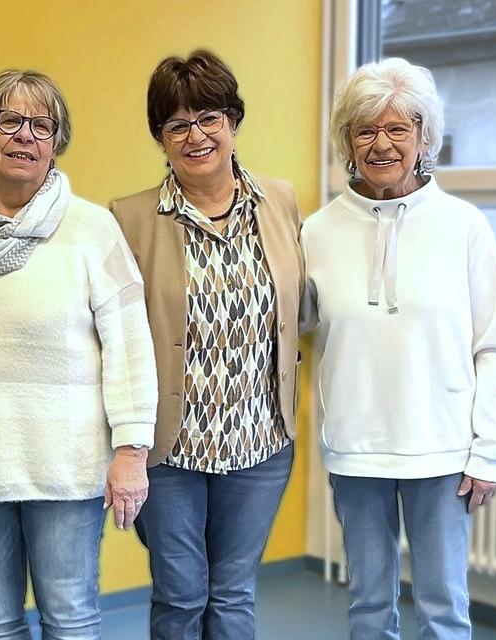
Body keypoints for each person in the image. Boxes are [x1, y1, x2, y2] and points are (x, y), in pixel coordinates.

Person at [0, 69, 157, 640]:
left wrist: (131, 450)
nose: (24, 136)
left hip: (66, 465)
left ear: (56, 142)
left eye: (41, 125)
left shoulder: (90, 228)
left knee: (69, 618)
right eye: (10, 120)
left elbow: (130, 340)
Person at [301, 57, 496, 639]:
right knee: (368, 608)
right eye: (365, 129)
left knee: (444, 611)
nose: (382, 143)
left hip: (442, 451)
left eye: (398, 129)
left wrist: (489, 448)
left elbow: (494, 345)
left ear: (424, 137)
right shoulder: (317, 232)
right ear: (347, 140)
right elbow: (290, 329)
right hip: (355, 448)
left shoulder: (465, 227)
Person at [109, 50, 303, 639]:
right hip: (171, 451)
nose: (196, 136)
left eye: (209, 117)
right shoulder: (129, 219)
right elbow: (118, 340)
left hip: (261, 439)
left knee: (234, 594)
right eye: (177, 124)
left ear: (233, 121)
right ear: (161, 137)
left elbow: (305, 308)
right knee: (181, 595)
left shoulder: (280, 202)